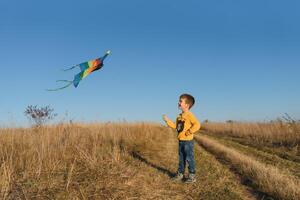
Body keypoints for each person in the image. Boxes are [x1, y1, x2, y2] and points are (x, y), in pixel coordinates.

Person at [163, 94, 201, 183]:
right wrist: (167, 120)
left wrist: (189, 132)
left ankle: (192, 176)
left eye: (181, 101)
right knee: (181, 159)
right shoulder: (179, 116)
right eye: (179, 101)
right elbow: (176, 126)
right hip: (181, 141)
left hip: (188, 141)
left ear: (187, 105)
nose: (178, 102)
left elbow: (197, 124)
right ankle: (180, 174)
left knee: (189, 158)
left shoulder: (189, 115)